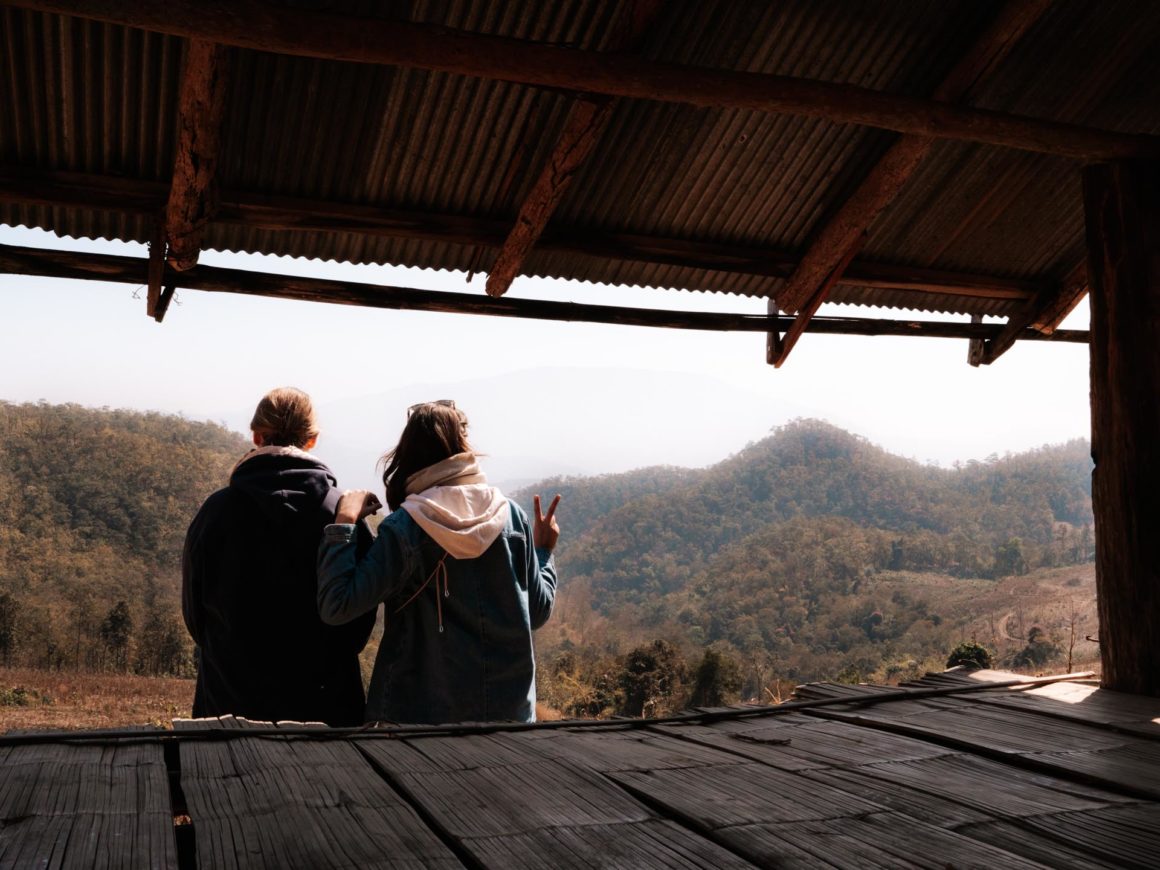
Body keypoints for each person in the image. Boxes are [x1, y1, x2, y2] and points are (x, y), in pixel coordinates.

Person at [317, 400, 559, 724]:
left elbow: (338, 605)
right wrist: (544, 552)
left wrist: (345, 521)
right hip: (510, 719)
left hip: (416, 723)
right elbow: (538, 612)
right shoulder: (512, 518)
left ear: (408, 454)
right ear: (463, 447)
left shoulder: (406, 528)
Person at [182, 387, 374, 725]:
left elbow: (195, 615)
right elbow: (359, 620)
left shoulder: (216, 512)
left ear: (256, 436)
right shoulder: (342, 513)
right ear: (312, 440)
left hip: (227, 707)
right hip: (328, 708)